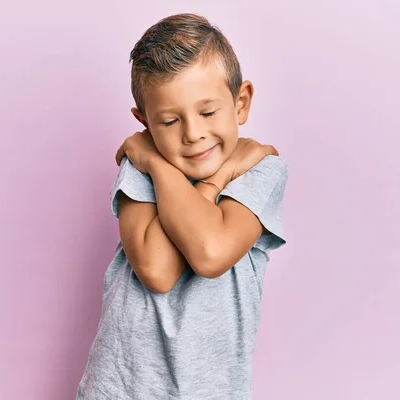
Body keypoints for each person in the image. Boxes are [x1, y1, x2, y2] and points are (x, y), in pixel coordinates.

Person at [76, 13, 288, 400]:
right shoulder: (140, 170)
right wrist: (164, 167)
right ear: (145, 124)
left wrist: (182, 173)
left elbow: (210, 252)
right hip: (120, 388)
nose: (193, 134)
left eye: (208, 113)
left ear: (240, 103)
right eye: (171, 121)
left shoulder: (260, 171)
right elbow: (158, 270)